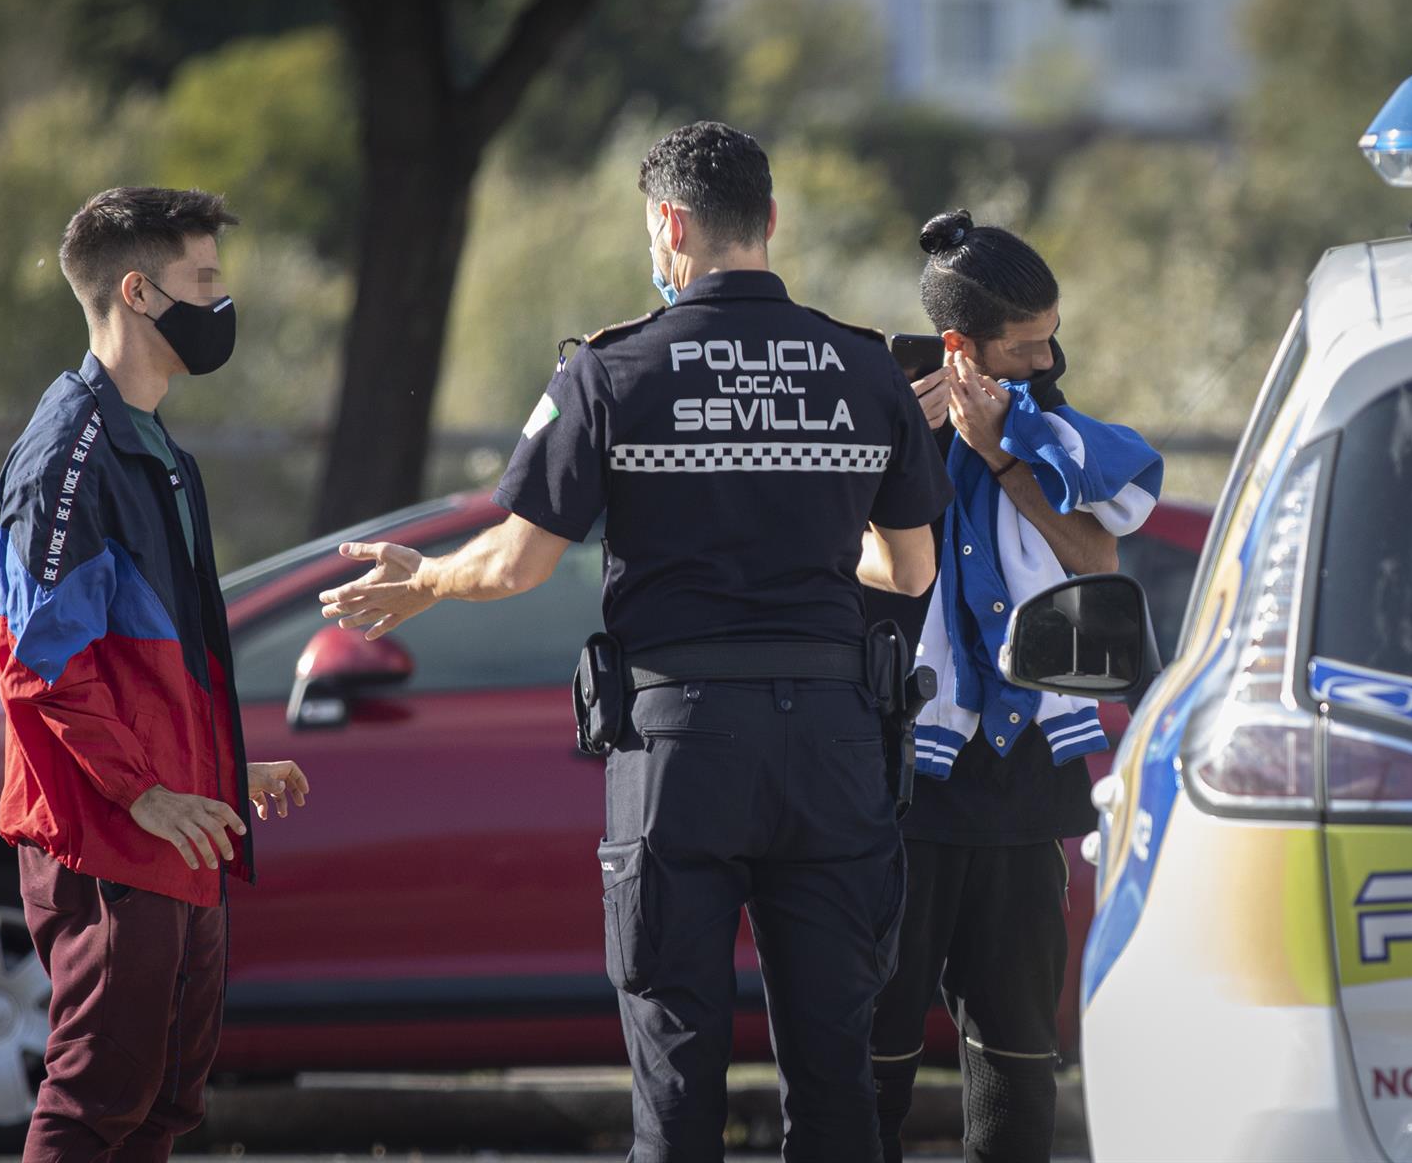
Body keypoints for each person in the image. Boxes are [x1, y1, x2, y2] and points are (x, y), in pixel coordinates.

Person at [318, 122, 953, 1162]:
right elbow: (912, 570)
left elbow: (517, 563)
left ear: (669, 226)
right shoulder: (862, 368)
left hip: (680, 747)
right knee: (837, 1079)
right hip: (838, 747)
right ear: (771, 221)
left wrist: (427, 578)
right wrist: (807, 546)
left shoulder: (610, 372)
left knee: (675, 1071)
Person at [0, 186, 312, 1162]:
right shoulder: (68, 454)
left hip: (177, 835)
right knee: (97, 1103)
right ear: (138, 292)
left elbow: (152, 664)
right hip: (109, 841)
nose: (222, 301)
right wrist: (149, 794)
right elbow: (40, 666)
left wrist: (216, 775)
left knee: (164, 1107)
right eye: (203, 280)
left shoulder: (157, 445)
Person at [867, 210, 1162, 1163]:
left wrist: (1003, 455)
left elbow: (1096, 555)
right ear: (962, 346)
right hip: (904, 781)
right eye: (1026, 345)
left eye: (1052, 336)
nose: (1049, 359)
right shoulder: (879, 423)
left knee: (1017, 1056)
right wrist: (899, 460)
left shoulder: (1054, 438)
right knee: (874, 1056)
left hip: (1028, 781)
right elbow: (848, 562)